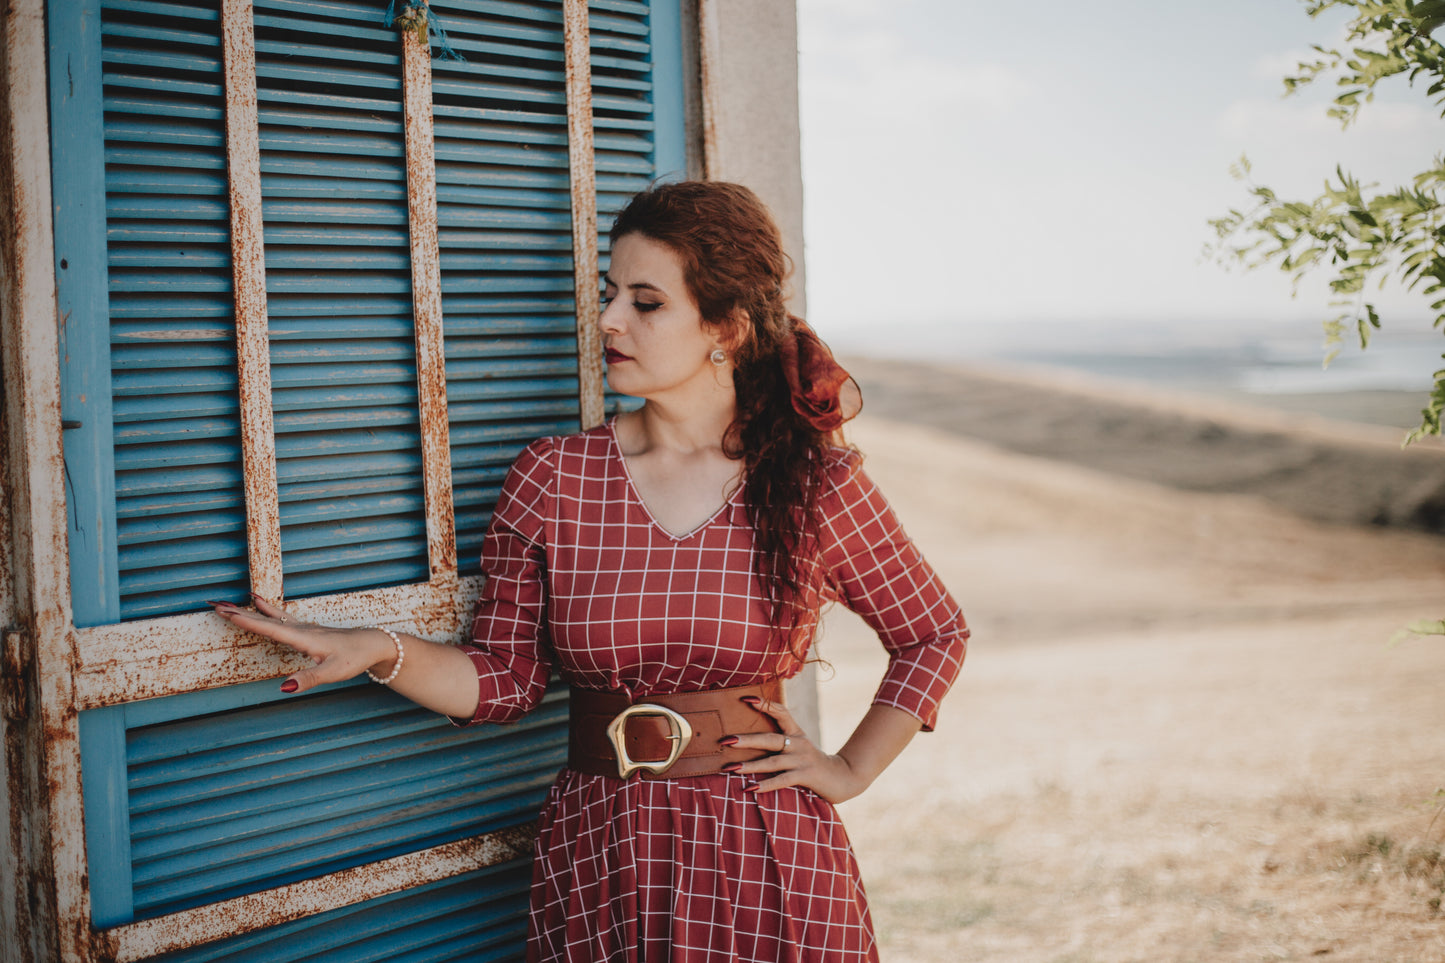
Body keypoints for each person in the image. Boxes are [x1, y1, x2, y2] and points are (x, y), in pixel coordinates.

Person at [211, 180, 967, 962]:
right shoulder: (552, 478)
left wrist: (848, 768)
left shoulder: (813, 483)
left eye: (645, 302)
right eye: (611, 294)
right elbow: (505, 679)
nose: (607, 319)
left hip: (763, 846)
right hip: (599, 848)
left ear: (726, 328)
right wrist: (379, 649)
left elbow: (933, 633)